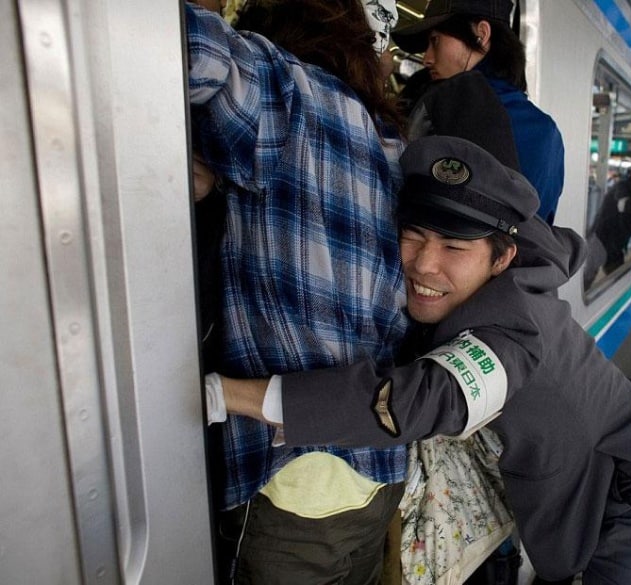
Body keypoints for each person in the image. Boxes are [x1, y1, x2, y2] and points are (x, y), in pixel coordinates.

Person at [208, 134, 631, 585]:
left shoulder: (509, 332)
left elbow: (419, 402)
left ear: (501, 257)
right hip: (629, 460)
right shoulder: (517, 261)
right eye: (412, 236)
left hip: (628, 490)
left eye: (454, 248)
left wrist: (230, 394)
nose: (424, 264)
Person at [186, 2, 413, 583]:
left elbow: (169, 43)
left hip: (290, 482)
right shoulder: (387, 142)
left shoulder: (281, 91)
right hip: (378, 472)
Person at [391, 0, 566, 224]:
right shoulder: (547, 131)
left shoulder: (440, 115)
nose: (427, 58)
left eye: (435, 41)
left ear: (481, 34)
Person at [585, 163, 631, 281]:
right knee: (588, 275)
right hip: (602, 238)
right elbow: (623, 205)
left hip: (616, 244)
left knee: (619, 278)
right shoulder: (623, 186)